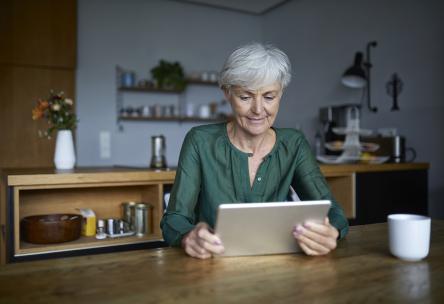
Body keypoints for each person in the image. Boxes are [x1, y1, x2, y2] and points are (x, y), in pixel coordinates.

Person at [160, 42, 349, 259]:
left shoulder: (294, 144)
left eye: (269, 97)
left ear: (281, 94)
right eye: (245, 97)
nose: (258, 110)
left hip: (279, 266)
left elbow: (334, 212)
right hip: (211, 266)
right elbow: (173, 219)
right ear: (227, 93)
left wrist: (330, 232)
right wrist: (188, 236)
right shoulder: (200, 141)